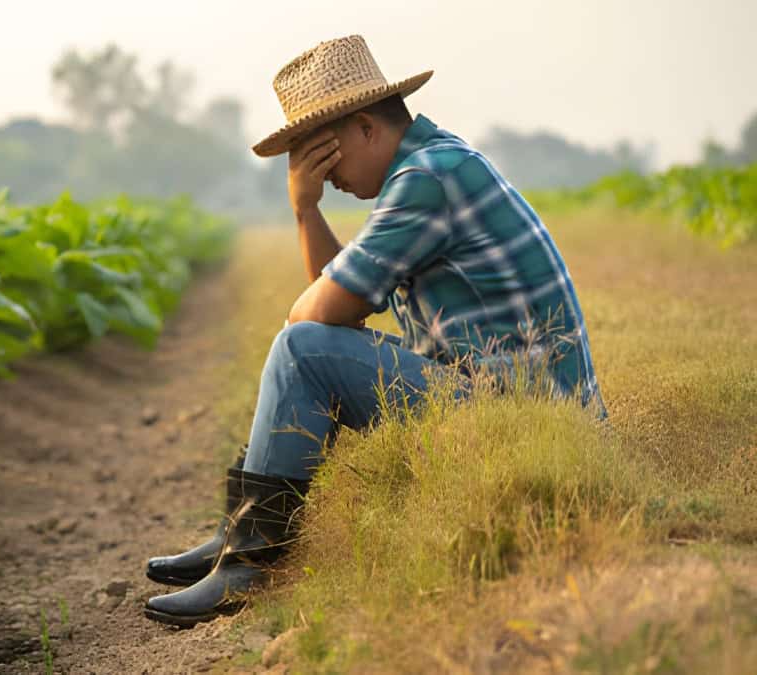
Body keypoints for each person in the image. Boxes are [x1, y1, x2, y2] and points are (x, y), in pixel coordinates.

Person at [141, 33, 607, 628]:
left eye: (321, 155)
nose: (321, 175)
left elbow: (316, 317)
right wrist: (307, 211)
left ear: (365, 127)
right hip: (521, 410)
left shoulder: (425, 180)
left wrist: (305, 220)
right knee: (308, 350)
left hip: (525, 422)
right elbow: (345, 306)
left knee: (302, 350)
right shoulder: (434, 163)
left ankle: (247, 564)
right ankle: (240, 538)